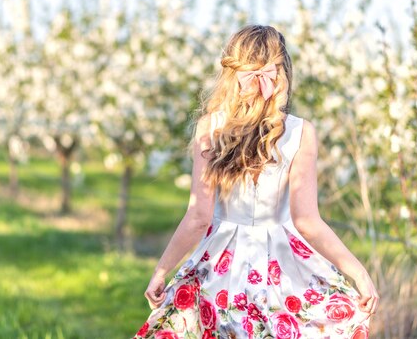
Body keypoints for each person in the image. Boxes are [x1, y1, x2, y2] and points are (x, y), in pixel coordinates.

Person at [132, 24, 379, 339]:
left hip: (219, 267)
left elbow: (198, 218)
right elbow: (308, 222)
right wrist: (358, 273)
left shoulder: (210, 128)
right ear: (282, 72)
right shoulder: (300, 133)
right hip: (280, 267)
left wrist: (162, 271)